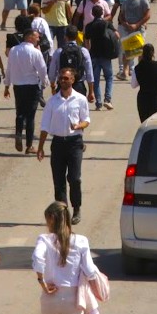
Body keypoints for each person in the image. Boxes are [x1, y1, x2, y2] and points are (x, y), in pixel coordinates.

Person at [37, 68, 92, 224]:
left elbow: (86, 120)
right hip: (58, 143)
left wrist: (78, 126)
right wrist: (40, 147)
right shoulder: (52, 102)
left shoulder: (80, 99)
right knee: (58, 180)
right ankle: (62, 212)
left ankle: (76, 208)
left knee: (74, 178)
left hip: (75, 143)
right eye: (61, 78)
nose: (63, 81)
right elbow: (45, 126)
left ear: (73, 80)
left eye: (66, 78)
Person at [5, 27, 51, 154]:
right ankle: (29, 145)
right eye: (36, 37)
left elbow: (9, 69)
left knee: (20, 112)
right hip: (32, 86)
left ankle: (19, 133)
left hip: (18, 86)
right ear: (30, 37)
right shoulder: (35, 52)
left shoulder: (14, 50)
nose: (38, 39)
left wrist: (6, 86)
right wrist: (45, 82)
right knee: (30, 116)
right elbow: (42, 69)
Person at [83, 2, 119, 110]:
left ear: (93, 14)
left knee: (96, 79)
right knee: (109, 77)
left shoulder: (89, 26)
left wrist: (89, 51)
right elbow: (117, 35)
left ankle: (98, 102)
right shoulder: (106, 23)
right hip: (106, 55)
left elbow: (86, 40)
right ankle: (107, 99)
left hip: (94, 55)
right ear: (102, 13)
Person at [131, 43, 157, 122]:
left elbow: (133, 85)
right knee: (156, 125)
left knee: (145, 124)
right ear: (153, 53)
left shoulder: (138, 68)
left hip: (143, 100)